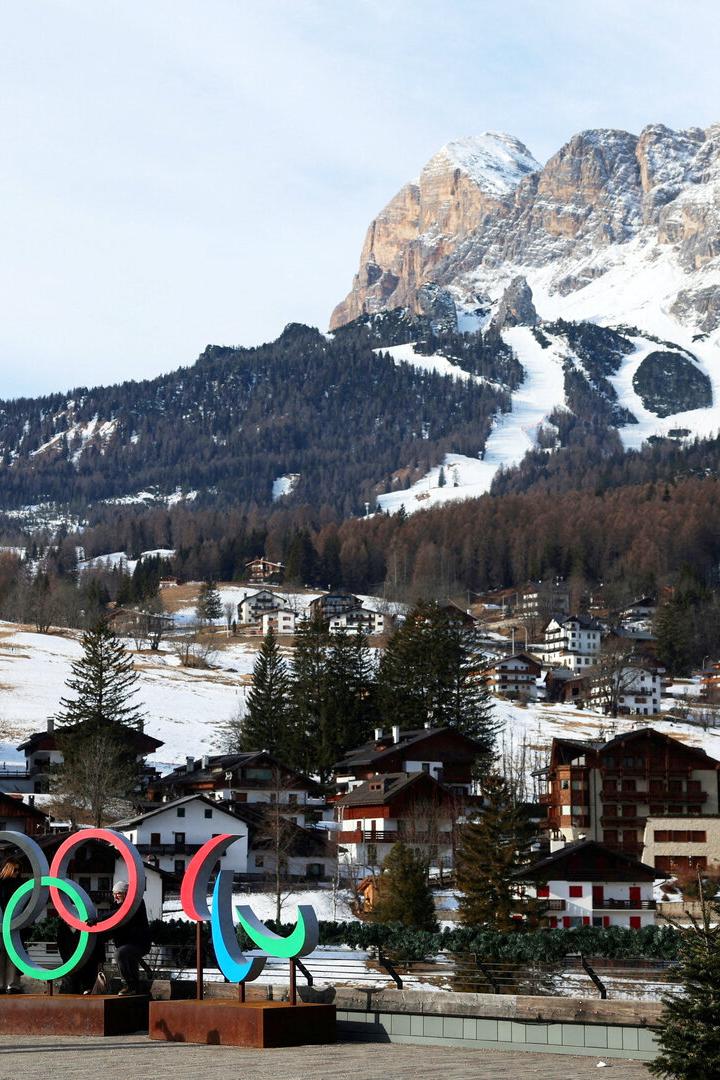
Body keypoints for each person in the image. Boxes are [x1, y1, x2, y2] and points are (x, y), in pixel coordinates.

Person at [110, 880, 152, 995]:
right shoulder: (115, 905)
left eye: (118, 893)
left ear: (126, 893)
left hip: (139, 944)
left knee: (120, 954)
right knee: (129, 961)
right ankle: (135, 989)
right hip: (126, 944)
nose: (115, 896)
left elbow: (117, 914)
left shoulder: (136, 903)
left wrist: (98, 919)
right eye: (114, 893)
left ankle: (128, 985)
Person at [0, 859, 23, 994]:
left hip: (13, 922)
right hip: (4, 922)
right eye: (15, 870)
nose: (17, 873)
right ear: (8, 869)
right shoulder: (3, 884)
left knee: (13, 953)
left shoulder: (19, 885)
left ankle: (12, 985)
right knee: (3, 952)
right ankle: (5, 984)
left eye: (19, 870)